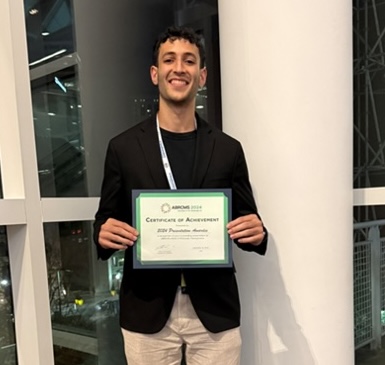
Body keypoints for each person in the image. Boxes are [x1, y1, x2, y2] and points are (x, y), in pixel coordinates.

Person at [93, 25, 268, 365]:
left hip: (214, 312)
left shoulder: (228, 149)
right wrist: (103, 235)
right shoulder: (123, 148)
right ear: (155, 74)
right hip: (147, 311)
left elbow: (249, 223)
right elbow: (106, 219)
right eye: (169, 60)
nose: (179, 68)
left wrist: (257, 233)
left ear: (201, 76)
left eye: (189, 61)